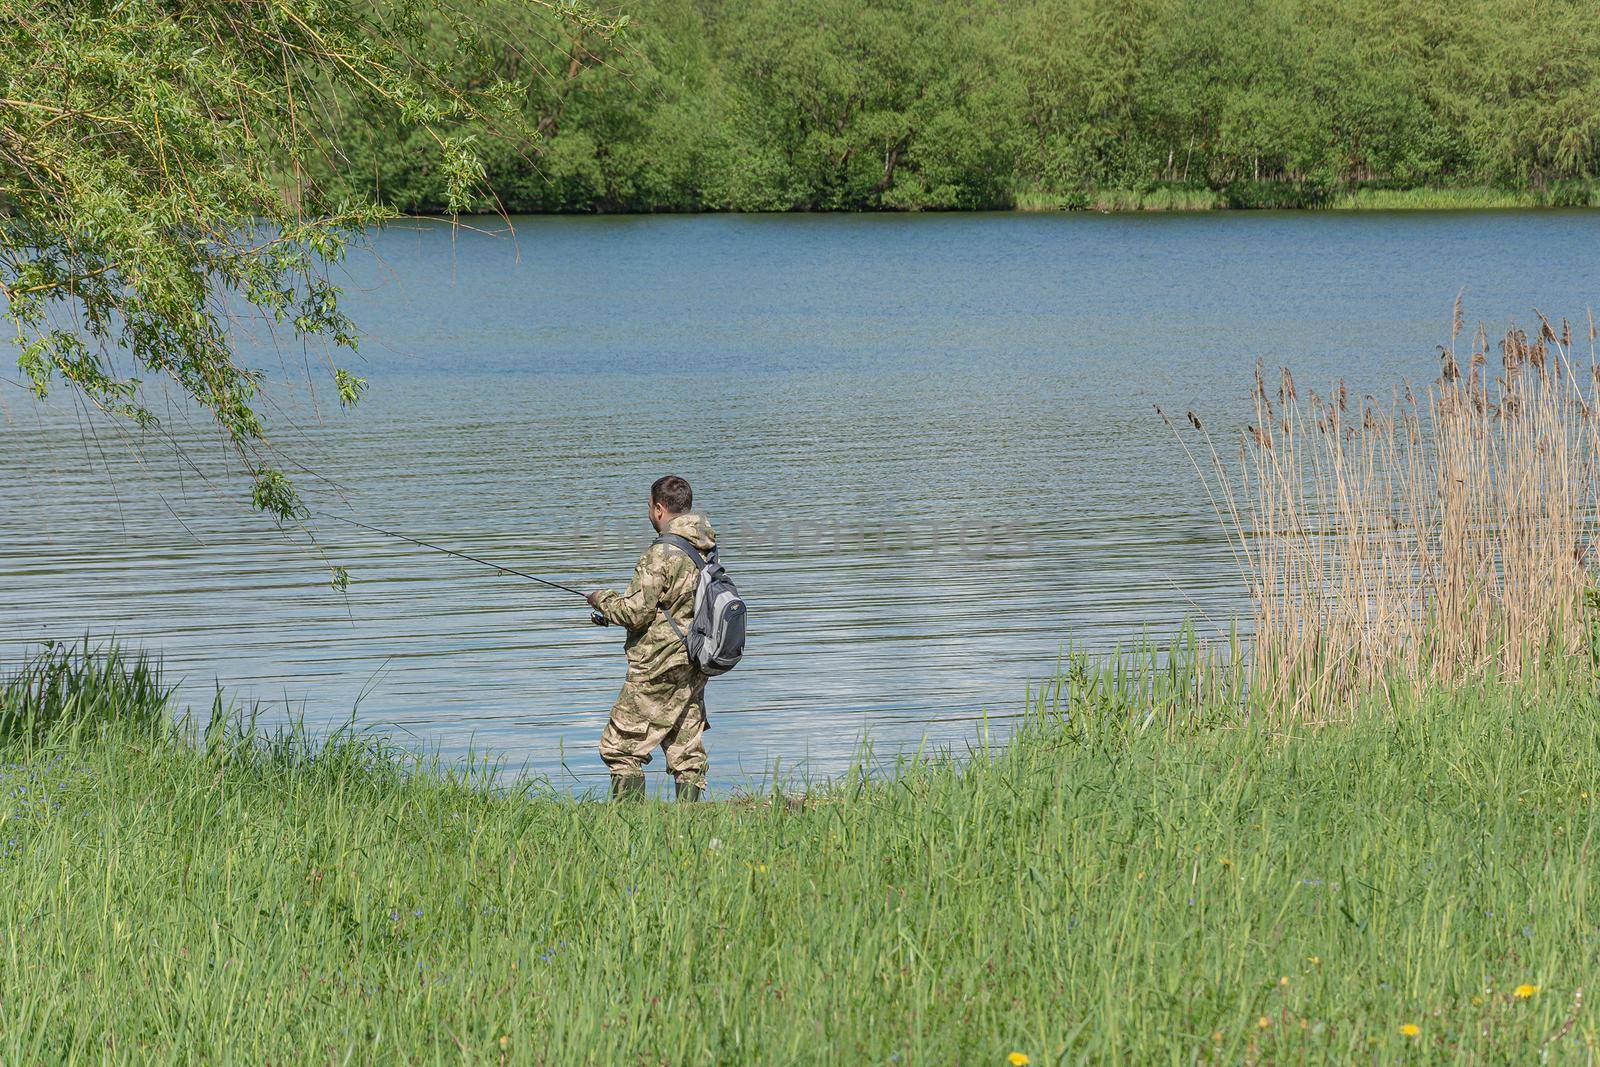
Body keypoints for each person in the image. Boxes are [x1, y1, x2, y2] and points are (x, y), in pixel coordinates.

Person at [587, 475, 714, 802]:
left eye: (648, 506)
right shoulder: (704, 546)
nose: (648, 513)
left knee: (619, 747)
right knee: (685, 747)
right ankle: (691, 823)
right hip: (694, 659)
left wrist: (603, 599)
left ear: (659, 509)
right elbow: (673, 606)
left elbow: (636, 613)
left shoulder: (662, 553)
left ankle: (630, 823)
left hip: (656, 665)